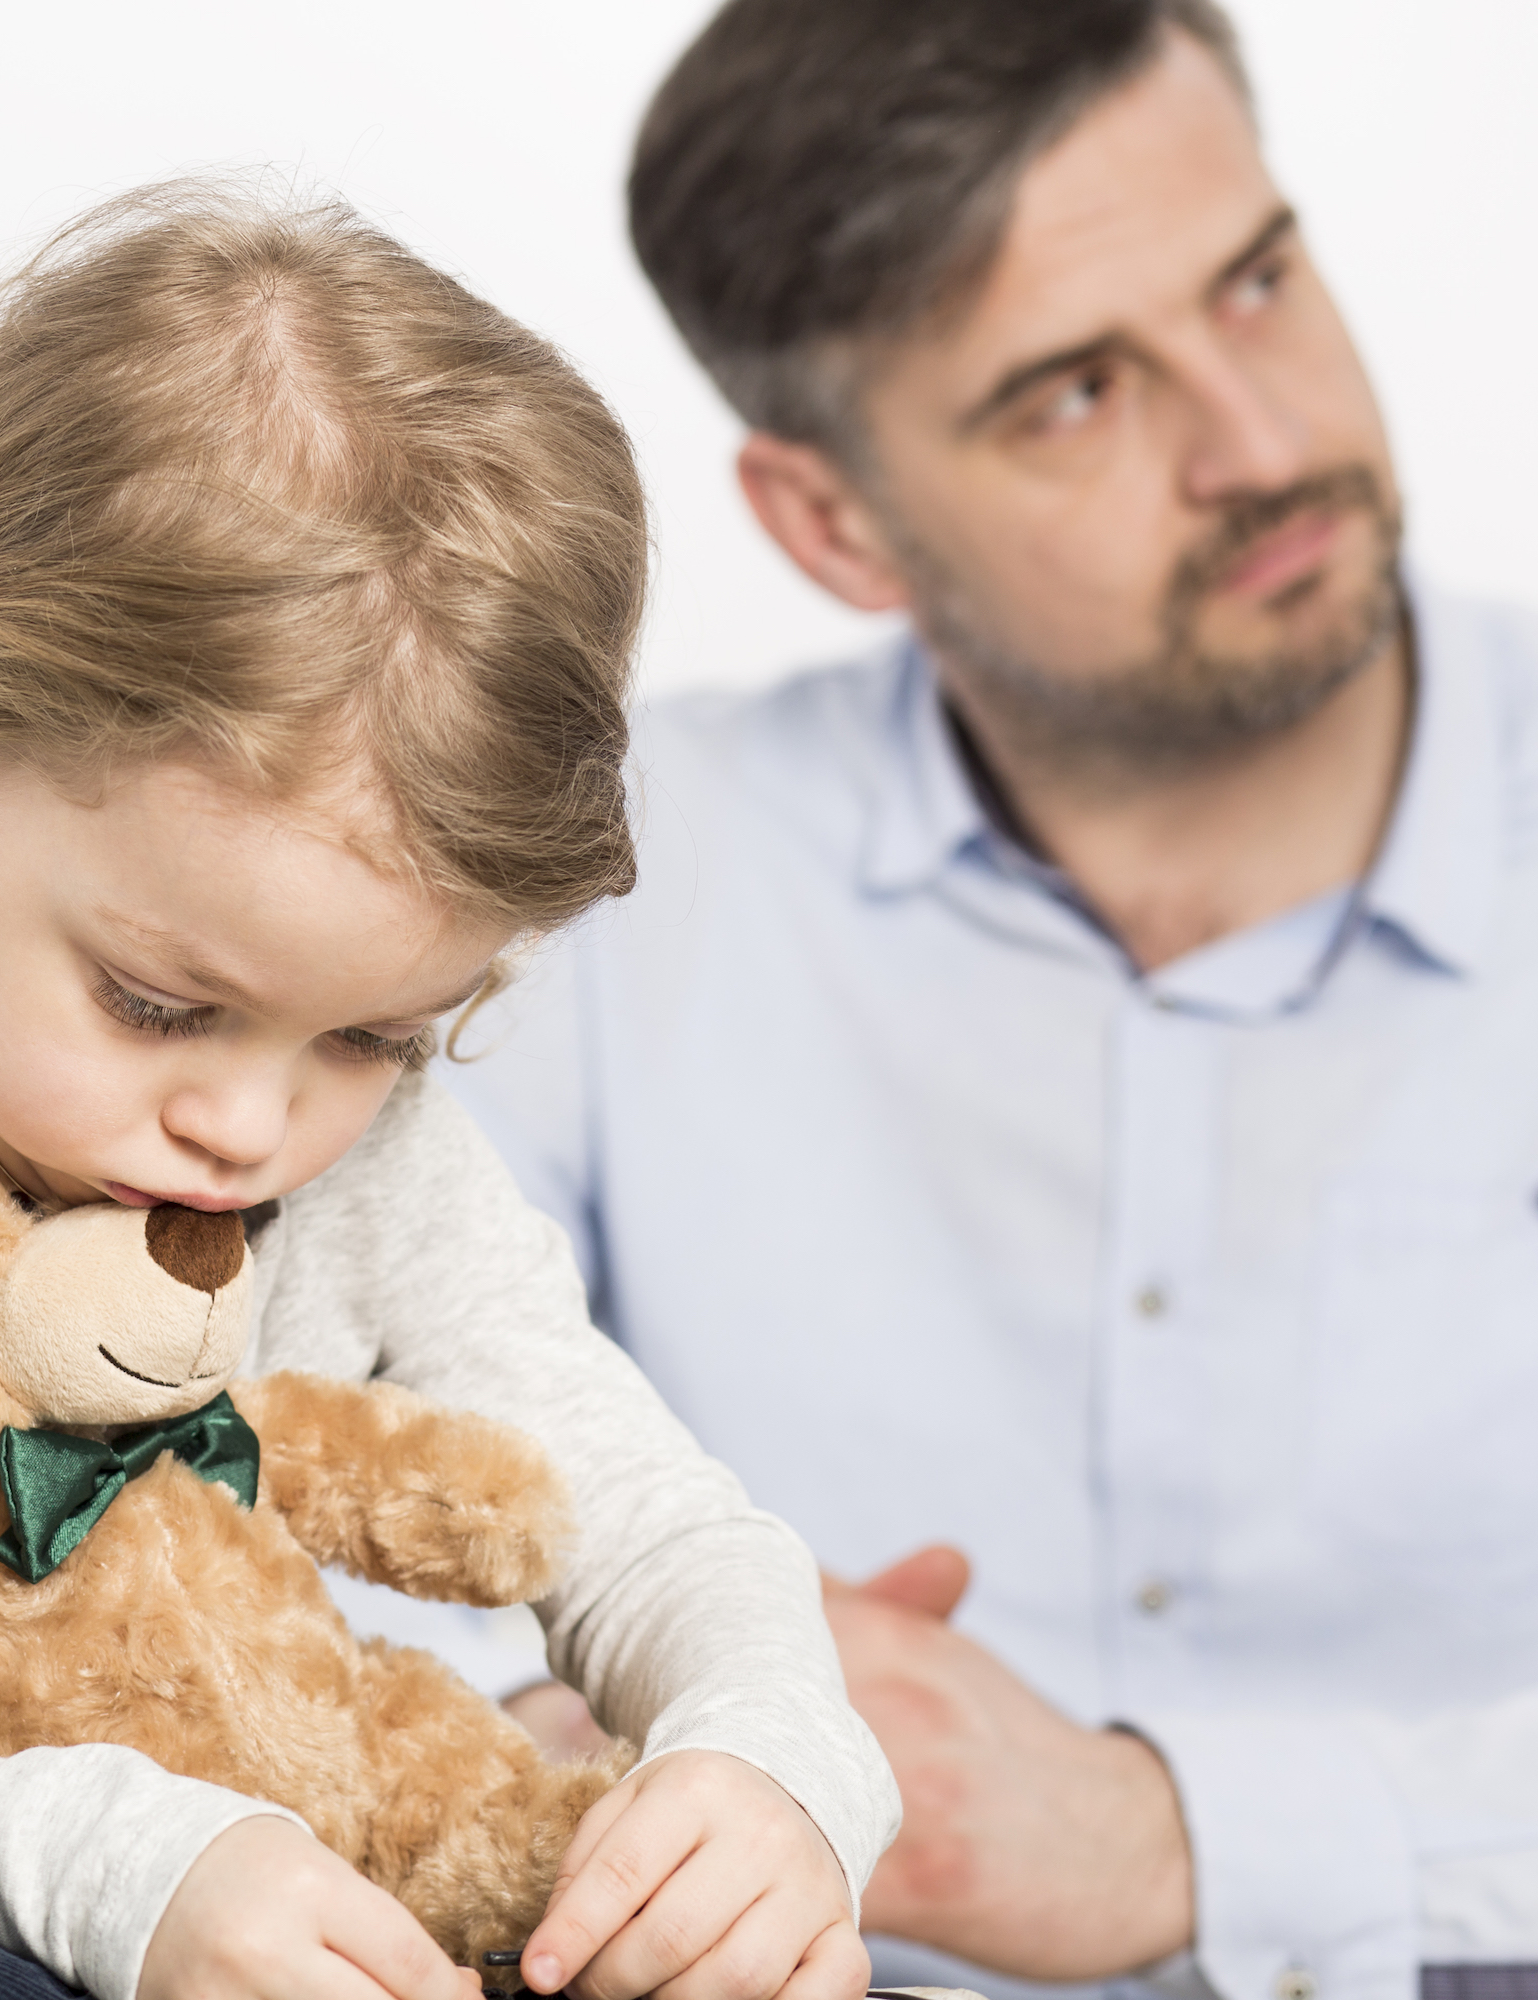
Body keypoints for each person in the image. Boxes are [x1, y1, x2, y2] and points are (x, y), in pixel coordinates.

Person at [0, 185, 893, 2000]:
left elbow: (651, 1522)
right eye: (158, 1002)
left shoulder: (356, 1137)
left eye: (374, 1037)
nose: (255, 1131)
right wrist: (116, 1869)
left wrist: (777, 1762)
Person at [439, 6, 1538, 2000]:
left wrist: (1165, 1838)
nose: (1264, 440)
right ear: (832, 525)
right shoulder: (593, 878)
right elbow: (288, 1478)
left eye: (1260, 281)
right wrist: (558, 1736)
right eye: (1074, 393)